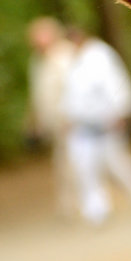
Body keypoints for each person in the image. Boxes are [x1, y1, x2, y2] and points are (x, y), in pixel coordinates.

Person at [62, 27, 131, 225]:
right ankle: (96, 209)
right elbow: (72, 95)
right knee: (85, 167)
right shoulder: (74, 62)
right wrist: (68, 117)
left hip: (108, 119)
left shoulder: (99, 55)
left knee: (116, 162)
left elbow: (115, 83)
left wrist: (120, 112)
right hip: (82, 124)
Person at [26, 17, 78, 215]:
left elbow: (74, 88)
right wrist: (34, 121)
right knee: (65, 165)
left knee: (74, 164)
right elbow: (37, 94)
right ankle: (69, 207)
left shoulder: (66, 54)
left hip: (71, 121)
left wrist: (71, 116)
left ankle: (74, 207)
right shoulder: (37, 60)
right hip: (53, 124)